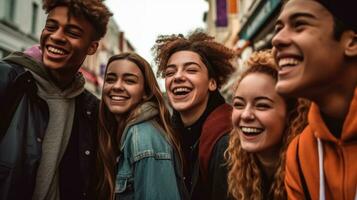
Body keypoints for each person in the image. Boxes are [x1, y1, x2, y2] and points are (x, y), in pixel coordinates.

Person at [0, 0, 112, 199]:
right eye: (51, 27)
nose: (56, 37)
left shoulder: (90, 108)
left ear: (92, 47)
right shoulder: (8, 79)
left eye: (73, 32)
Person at [272, 0, 357, 199]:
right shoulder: (300, 153)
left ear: (352, 43)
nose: (276, 39)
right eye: (278, 29)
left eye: (300, 25)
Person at [153, 30, 236, 200]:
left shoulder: (227, 141)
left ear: (212, 83)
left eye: (191, 70)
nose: (177, 77)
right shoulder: (170, 135)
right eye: (170, 72)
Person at [96, 52, 187, 200]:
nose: (117, 86)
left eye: (129, 81)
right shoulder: (120, 131)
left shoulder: (144, 136)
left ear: (146, 92)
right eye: (110, 79)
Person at [225, 50, 309, 200]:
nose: (245, 115)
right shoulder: (235, 168)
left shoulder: (310, 172)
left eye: (262, 106)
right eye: (239, 104)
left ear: (291, 114)